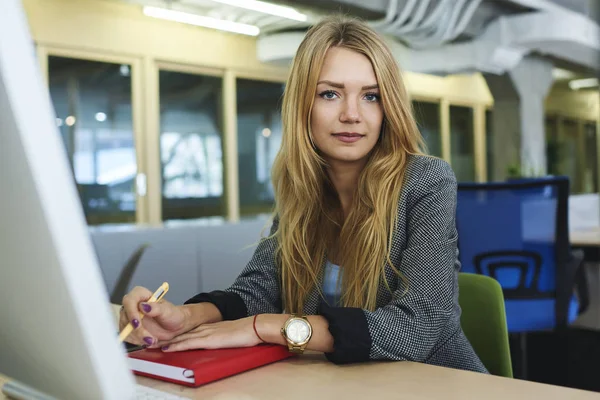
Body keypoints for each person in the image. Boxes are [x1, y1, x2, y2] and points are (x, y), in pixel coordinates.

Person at [120, 15, 487, 373]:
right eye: (330, 94)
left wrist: (265, 327)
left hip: (436, 383)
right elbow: (260, 286)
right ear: (303, 106)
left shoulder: (426, 181)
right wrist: (184, 317)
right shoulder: (304, 188)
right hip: (343, 384)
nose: (351, 114)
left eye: (371, 96)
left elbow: (418, 326)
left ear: (388, 107)